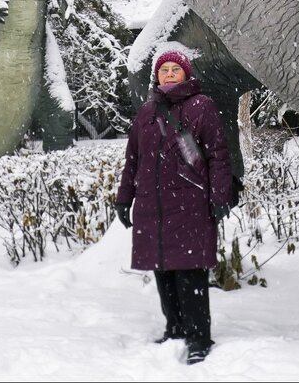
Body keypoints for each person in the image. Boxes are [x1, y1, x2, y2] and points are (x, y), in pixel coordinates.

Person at [115, 49, 234, 364]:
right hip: (152, 207)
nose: (168, 74)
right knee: (163, 270)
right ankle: (175, 329)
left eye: (175, 70)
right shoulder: (146, 112)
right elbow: (133, 159)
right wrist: (124, 197)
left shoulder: (201, 106)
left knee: (190, 272)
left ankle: (198, 337)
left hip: (190, 202)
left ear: (186, 74)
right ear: (157, 75)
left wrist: (220, 196)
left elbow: (218, 155)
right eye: (163, 69)